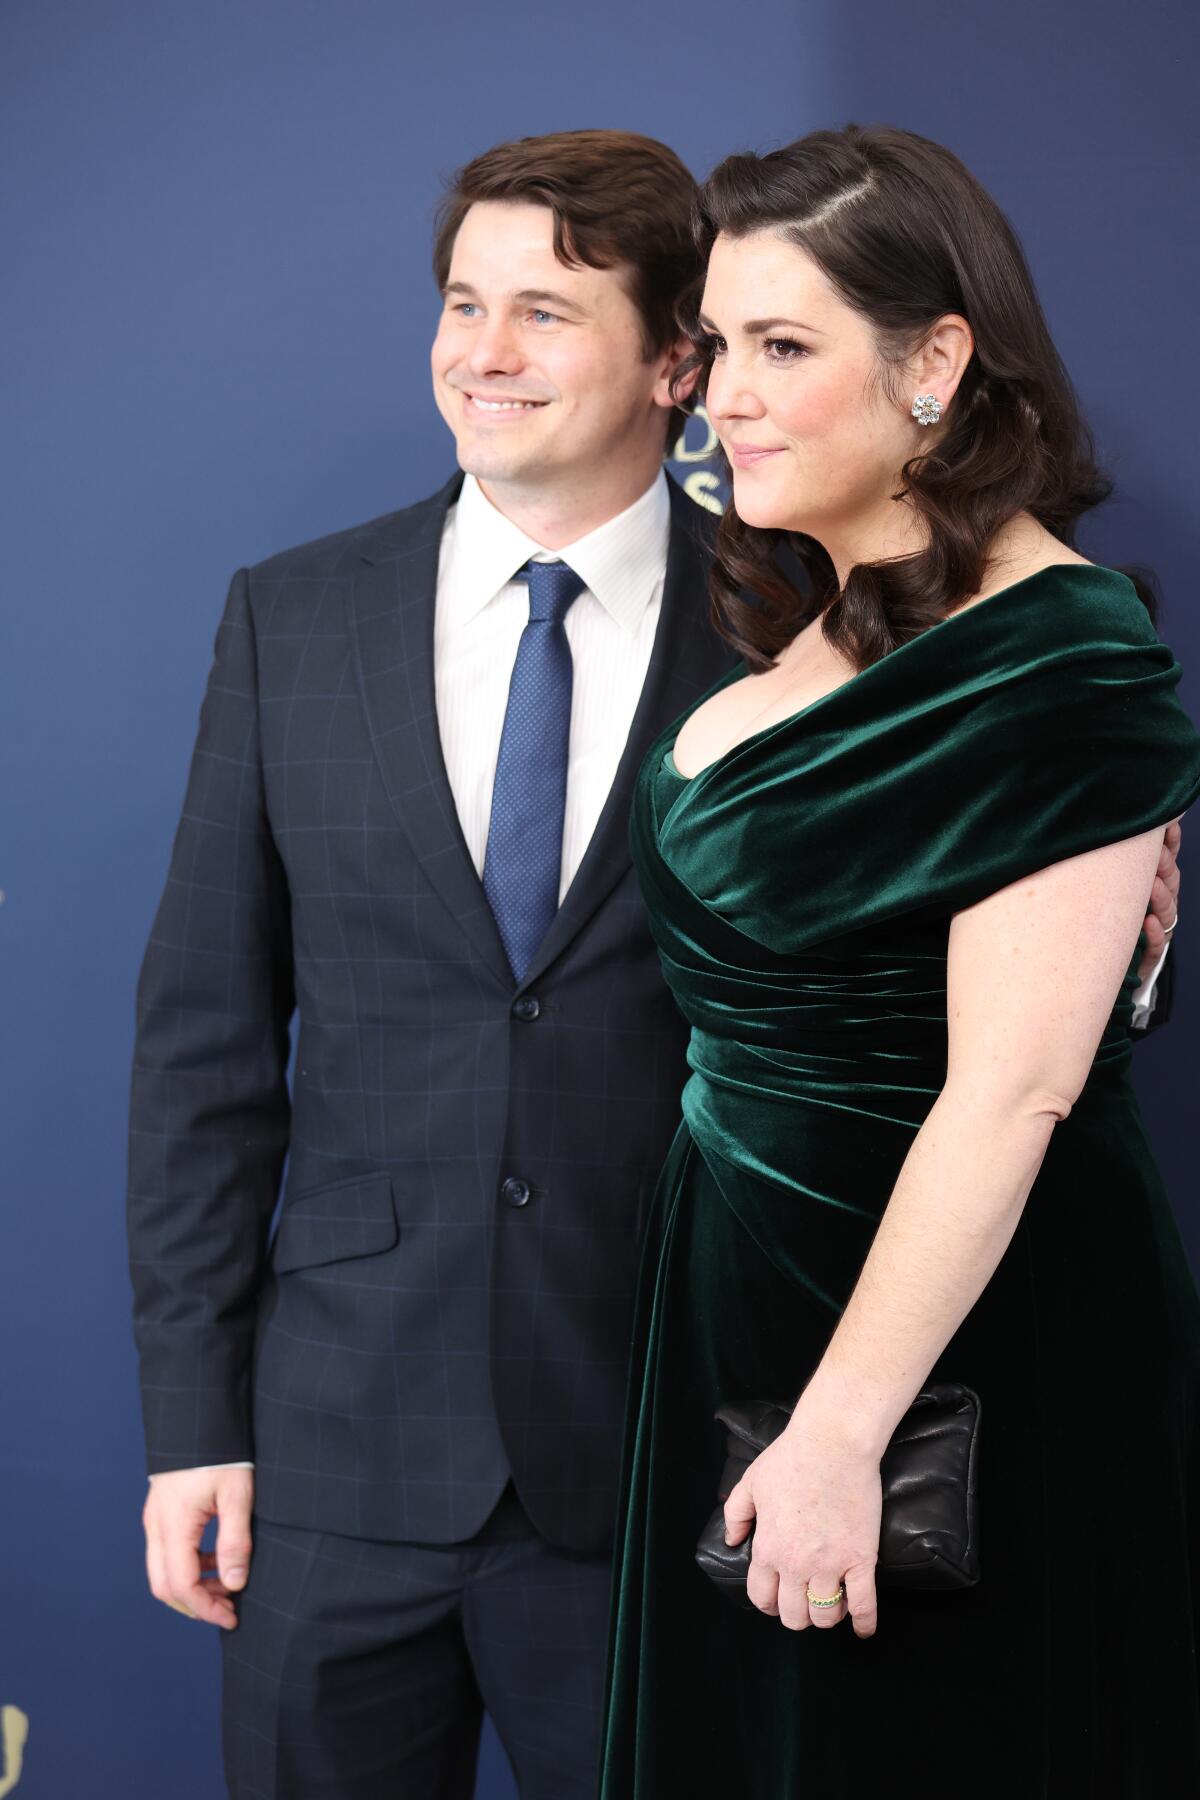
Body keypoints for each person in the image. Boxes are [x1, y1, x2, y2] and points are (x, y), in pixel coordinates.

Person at [126, 129, 1177, 1800]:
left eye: (543, 311)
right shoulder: (314, 618)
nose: (484, 351)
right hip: (389, 1432)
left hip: (714, 1423)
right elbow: (204, 1048)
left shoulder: (804, 609)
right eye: (463, 304)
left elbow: (997, 1052)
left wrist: (835, 1432)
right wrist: (197, 1418)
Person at [598, 125, 1200, 1799]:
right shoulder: (832, 619)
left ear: (937, 361)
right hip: (747, 1322)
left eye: (788, 348)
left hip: (947, 1371)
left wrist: (847, 1427)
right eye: (723, 350)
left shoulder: (1060, 654)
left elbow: (1011, 1092)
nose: (730, 396)